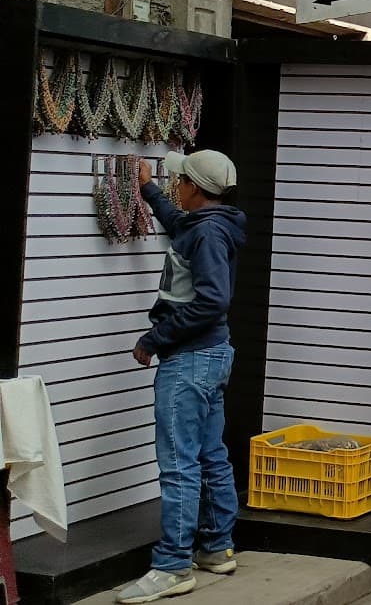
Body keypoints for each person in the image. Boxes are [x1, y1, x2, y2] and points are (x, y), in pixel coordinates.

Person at [118, 151, 246, 605]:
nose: (175, 187)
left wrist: (154, 338)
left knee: (179, 465)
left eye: (178, 181)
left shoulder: (207, 233)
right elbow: (178, 222)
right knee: (209, 456)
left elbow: (212, 300)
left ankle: (172, 565)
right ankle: (216, 548)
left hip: (190, 360)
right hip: (209, 358)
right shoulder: (207, 224)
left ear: (194, 188)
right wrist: (148, 188)